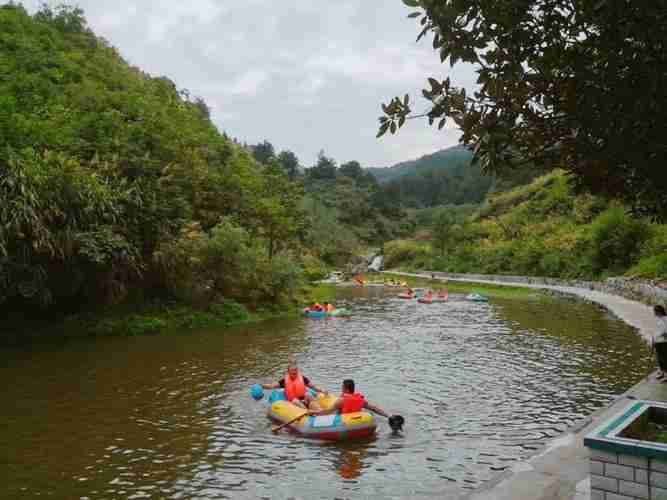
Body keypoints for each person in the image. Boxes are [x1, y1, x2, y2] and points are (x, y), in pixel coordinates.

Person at [307, 379, 389, 419]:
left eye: (342, 387)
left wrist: (313, 413)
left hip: (343, 422)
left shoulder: (341, 401)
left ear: (345, 389)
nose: (341, 388)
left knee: (312, 405)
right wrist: (388, 416)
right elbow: (374, 408)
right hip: (358, 421)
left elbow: (327, 411)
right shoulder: (360, 400)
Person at [261, 362, 327, 409]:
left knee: (308, 394)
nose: (294, 372)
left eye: (295, 370)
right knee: (295, 401)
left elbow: (313, 387)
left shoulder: (302, 378)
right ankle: (307, 414)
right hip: (293, 403)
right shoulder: (284, 381)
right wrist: (261, 386)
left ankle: (320, 411)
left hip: (304, 400)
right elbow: (271, 386)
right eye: (292, 371)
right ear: (289, 372)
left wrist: (322, 390)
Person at [654, 305, 667, 381]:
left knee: (664, 358)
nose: (654, 313)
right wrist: (654, 338)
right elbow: (657, 331)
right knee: (659, 358)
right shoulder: (659, 319)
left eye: (655, 311)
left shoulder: (665, 319)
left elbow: (664, 332)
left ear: (659, 311)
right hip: (658, 341)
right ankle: (662, 373)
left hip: (664, 342)